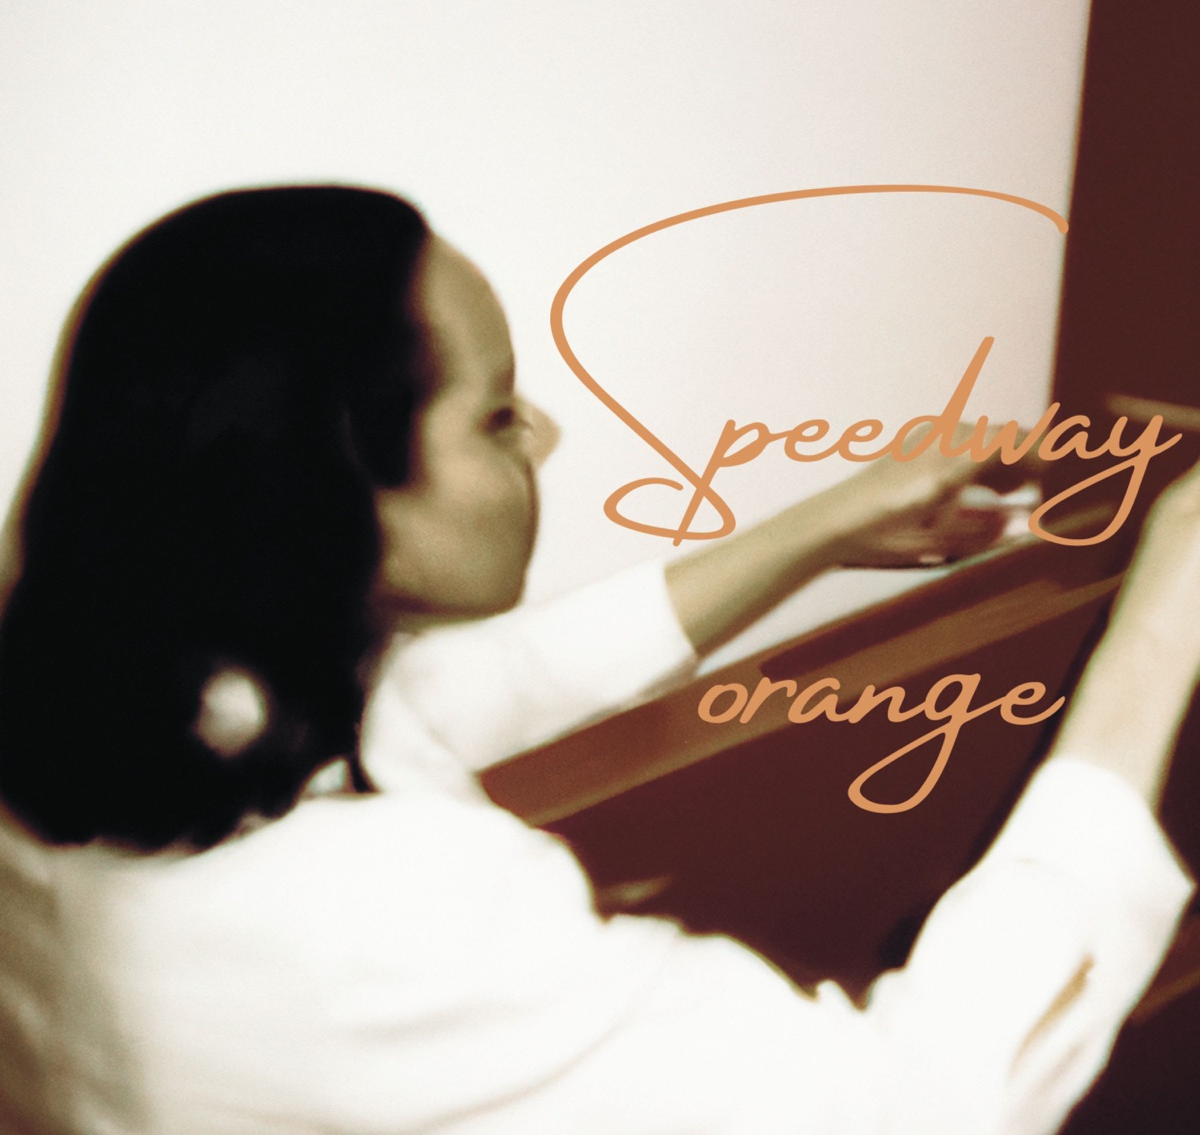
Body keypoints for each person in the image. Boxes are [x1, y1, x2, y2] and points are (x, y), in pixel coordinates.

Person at [0, 184, 1191, 1134]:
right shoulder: (379, 921)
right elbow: (917, 1108)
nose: (545, 435)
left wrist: (824, 530)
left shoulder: (113, 708)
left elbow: (475, 691)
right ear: (333, 491)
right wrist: (1163, 621)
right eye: (495, 414)